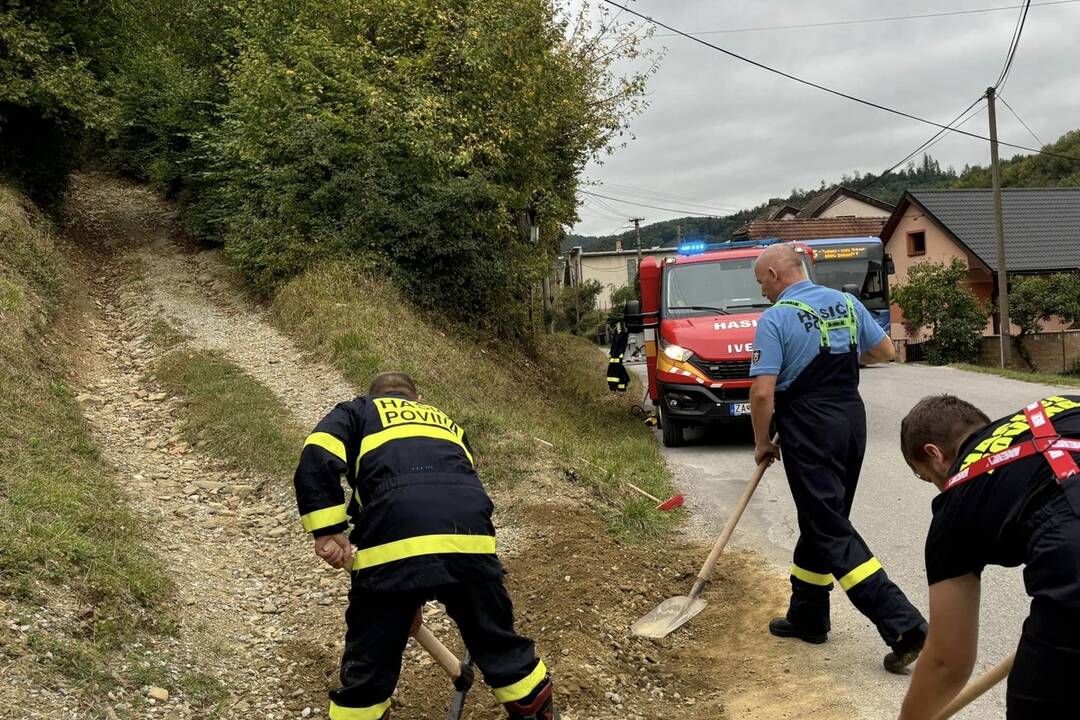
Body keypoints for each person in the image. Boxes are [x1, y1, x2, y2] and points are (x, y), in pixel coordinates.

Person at [293, 371, 556, 720]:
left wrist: (327, 530)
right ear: (417, 400)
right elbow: (457, 479)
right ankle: (534, 709)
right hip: (469, 541)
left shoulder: (358, 411)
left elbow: (316, 455)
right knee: (500, 644)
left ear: (375, 397)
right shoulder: (445, 423)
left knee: (368, 668)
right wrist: (413, 593)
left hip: (392, 547)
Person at [748, 243, 927, 672]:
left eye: (761, 283)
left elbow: (760, 393)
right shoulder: (847, 304)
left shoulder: (776, 318)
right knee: (823, 519)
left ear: (775, 274)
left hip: (810, 425)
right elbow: (884, 352)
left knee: (827, 525)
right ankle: (808, 616)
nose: (763, 293)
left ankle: (903, 623)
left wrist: (762, 442)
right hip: (850, 418)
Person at [898, 394, 1080, 719]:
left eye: (927, 477)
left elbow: (946, 663)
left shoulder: (956, 505)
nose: (939, 486)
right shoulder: (1062, 404)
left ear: (935, 455)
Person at [607, 317, 630, 392]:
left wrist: (618, 353)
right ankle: (621, 388)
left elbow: (617, 340)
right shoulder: (619, 326)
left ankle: (614, 388)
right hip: (616, 354)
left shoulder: (619, 326)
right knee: (619, 370)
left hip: (616, 354)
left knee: (613, 370)